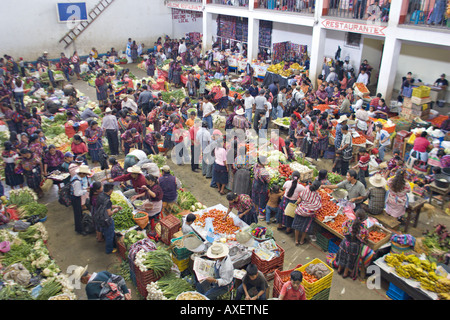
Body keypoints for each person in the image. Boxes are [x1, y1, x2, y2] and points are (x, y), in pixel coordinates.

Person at [335, 209, 369, 279]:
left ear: (355, 215)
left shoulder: (348, 222)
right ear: (363, 219)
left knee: (343, 255)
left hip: (345, 242)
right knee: (350, 259)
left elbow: (343, 229)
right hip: (355, 246)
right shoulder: (364, 227)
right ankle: (345, 273)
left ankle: (339, 269)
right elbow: (365, 237)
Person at [291, 180, 322, 246]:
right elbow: (318, 206)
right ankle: (302, 241)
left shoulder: (305, 190)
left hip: (300, 211)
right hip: (308, 214)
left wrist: (295, 204)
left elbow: (300, 198)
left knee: (297, 226)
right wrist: (310, 208)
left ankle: (296, 240)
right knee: (305, 228)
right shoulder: (317, 196)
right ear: (318, 188)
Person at [71, 165, 92, 235]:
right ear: (82, 173)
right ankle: (79, 229)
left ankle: (79, 227)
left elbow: (79, 189)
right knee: (77, 214)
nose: (85, 176)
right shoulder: (77, 182)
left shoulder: (77, 177)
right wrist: (85, 191)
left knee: (79, 212)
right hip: (75, 198)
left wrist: (85, 189)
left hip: (76, 197)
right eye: (85, 174)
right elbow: (77, 193)